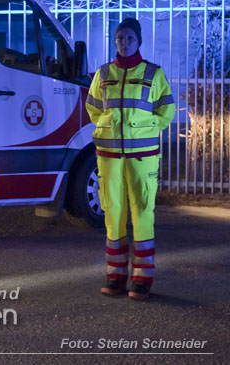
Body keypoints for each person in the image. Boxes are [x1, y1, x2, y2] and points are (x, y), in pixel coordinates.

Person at [86, 17, 175, 301]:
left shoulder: (153, 73)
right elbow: (93, 108)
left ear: (139, 41)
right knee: (112, 213)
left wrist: (147, 129)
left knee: (142, 213)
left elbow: (167, 110)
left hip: (142, 157)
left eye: (130, 38)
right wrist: (109, 129)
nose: (124, 43)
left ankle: (142, 277)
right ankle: (115, 275)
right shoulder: (103, 73)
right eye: (120, 38)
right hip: (109, 156)